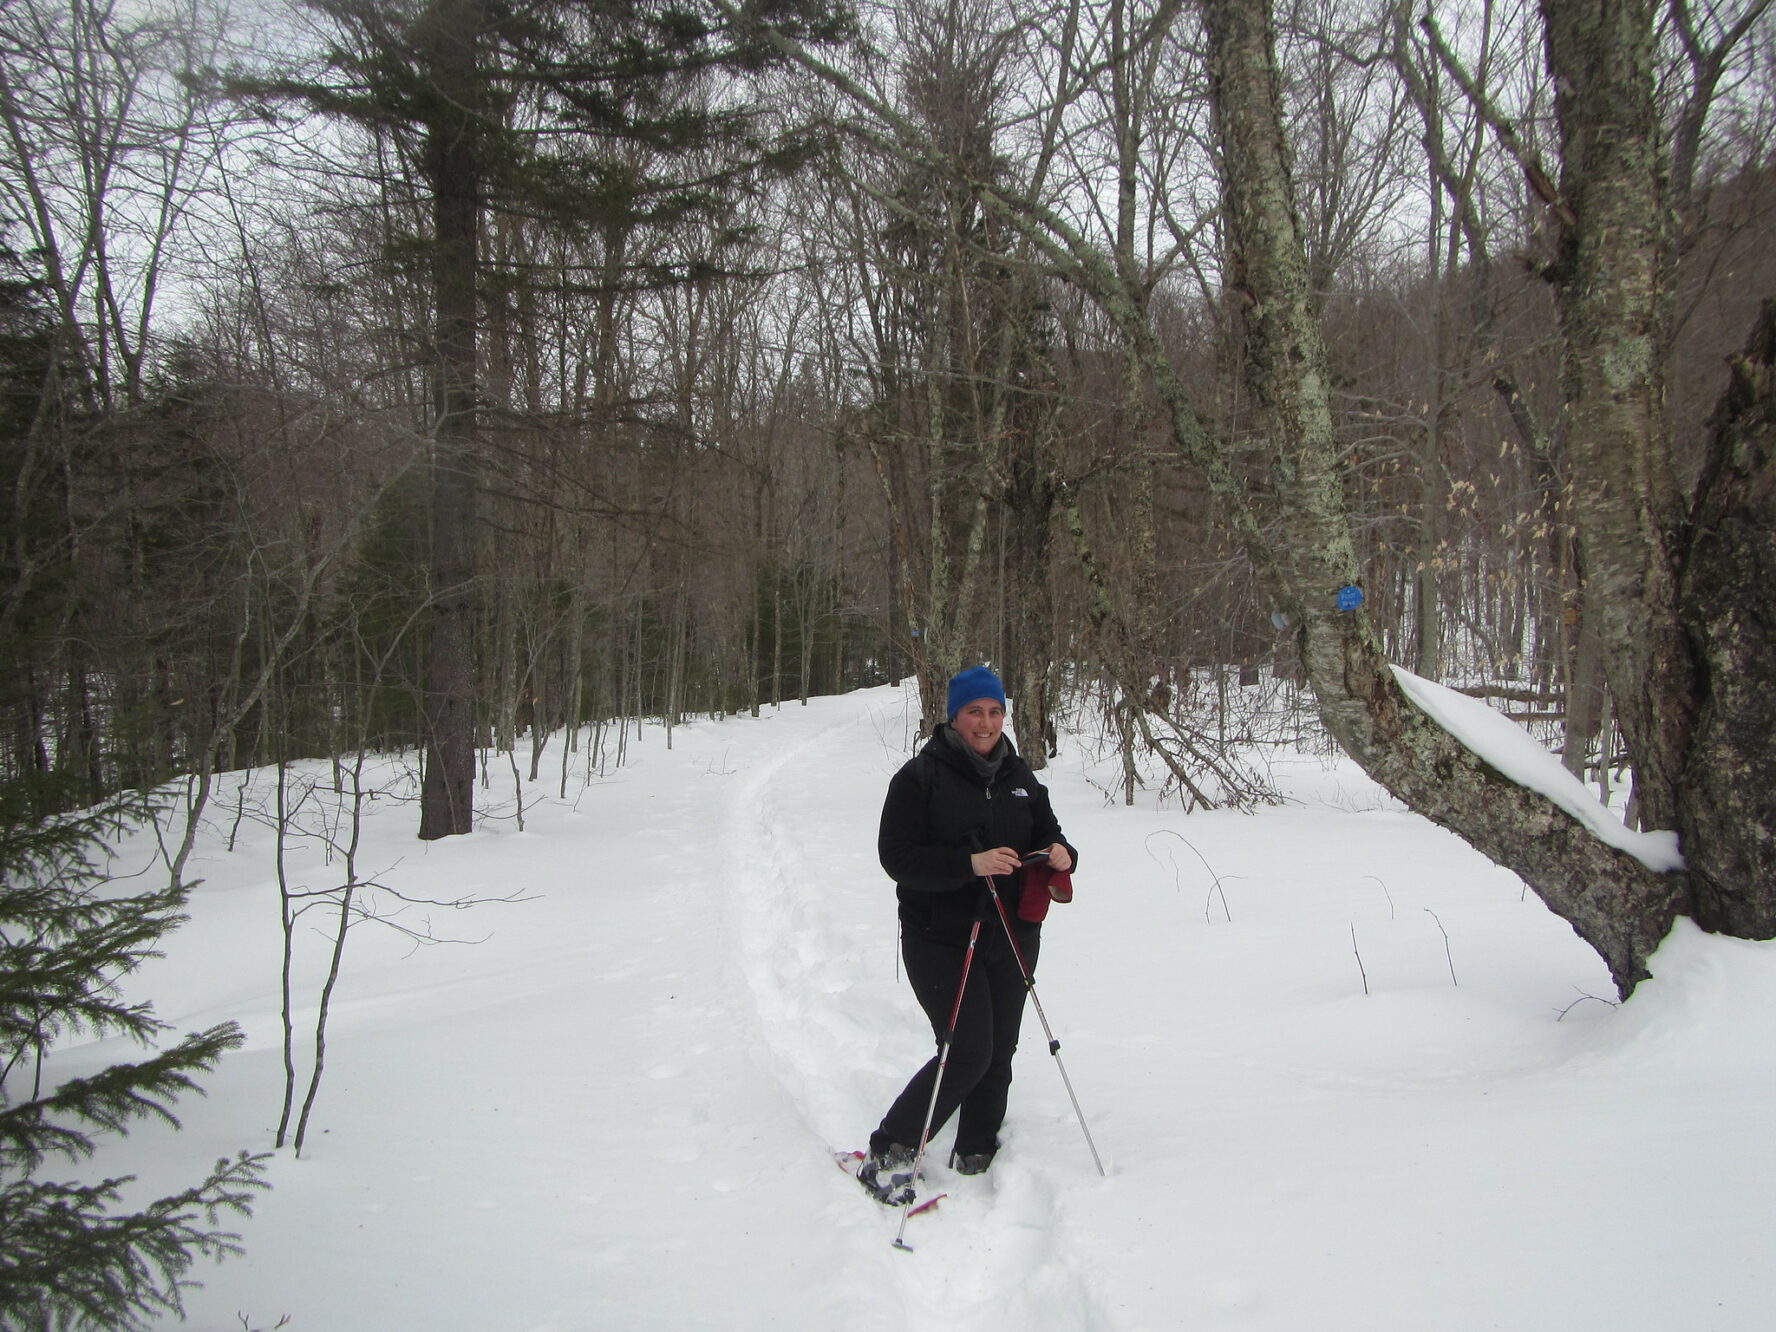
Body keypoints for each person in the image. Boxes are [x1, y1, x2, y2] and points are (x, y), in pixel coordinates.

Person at [859, 665, 1078, 1204]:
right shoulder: (920, 778)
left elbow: (1051, 833)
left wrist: (1064, 854)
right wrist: (969, 863)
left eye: (994, 711)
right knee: (967, 1050)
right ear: (954, 717)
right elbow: (898, 857)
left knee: (1000, 1046)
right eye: (974, 712)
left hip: (1013, 932)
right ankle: (890, 1151)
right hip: (941, 937)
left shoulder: (1021, 777)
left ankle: (977, 1145)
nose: (985, 723)